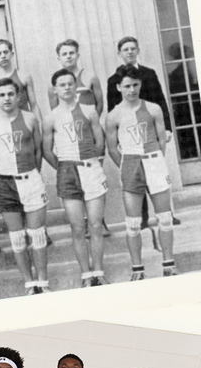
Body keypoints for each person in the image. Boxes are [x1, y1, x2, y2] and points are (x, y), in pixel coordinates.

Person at [106, 64, 177, 280]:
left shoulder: (153, 108)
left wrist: (156, 162)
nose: (132, 90)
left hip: (153, 160)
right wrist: (126, 165)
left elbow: (162, 140)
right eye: (127, 86)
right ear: (119, 87)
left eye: (135, 85)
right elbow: (112, 148)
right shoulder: (113, 115)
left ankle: (168, 265)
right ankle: (138, 269)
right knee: (133, 222)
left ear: (141, 84)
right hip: (130, 163)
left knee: (165, 217)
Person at [0, 77, 49, 295]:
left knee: (37, 234)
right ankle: (29, 283)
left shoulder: (30, 118)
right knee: (17, 237)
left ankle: (43, 281)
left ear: (18, 96)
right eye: (1, 95)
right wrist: (2, 177)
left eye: (11, 94)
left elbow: (37, 150)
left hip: (30, 179)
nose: (7, 98)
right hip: (6, 183)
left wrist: (33, 173)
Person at [42, 68, 109, 288]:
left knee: (96, 225)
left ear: (75, 86)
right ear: (55, 89)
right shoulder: (51, 117)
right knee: (77, 227)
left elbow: (100, 142)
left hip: (91, 169)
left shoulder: (89, 111)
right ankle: (86, 275)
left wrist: (91, 162)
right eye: (62, 85)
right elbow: (47, 150)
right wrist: (63, 167)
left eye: (70, 83)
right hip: (68, 172)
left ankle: (99, 272)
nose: (67, 88)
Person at [47, 39, 104, 115]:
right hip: (67, 121)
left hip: (89, 120)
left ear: (77, 55)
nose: (68, 56)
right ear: (59, 58)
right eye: (64, 54)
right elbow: (55, 111)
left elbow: (100, 104)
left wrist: (93, 120)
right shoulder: (54, 82)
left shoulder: (90, 76)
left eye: (71, 53)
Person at [0, 39, 37, 117]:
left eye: (5, 52)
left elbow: (34, 106)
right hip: (3, 122)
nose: (3, 56)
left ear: (11, 54)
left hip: (24, 121)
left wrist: (39, 123)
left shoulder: (24, 77)